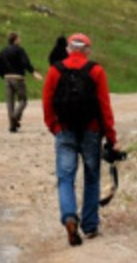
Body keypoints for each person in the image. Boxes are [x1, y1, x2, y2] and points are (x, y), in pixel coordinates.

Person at [42, 32, 116, 245]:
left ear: (68, 50)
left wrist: (53, 126)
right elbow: (104, 106)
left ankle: (69, 217)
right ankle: (90, 226)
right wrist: (111, 136)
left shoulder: (55, 71)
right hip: (91, 131)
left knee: (65, 178)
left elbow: (47, 102)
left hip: (64, 129)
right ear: (87, 50)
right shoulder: (96, 70)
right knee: (92, 177)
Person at [0, 30, 41, 132]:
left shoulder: (3, 51)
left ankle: (12, 125)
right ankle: (14, 117)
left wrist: (3, 75)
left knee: (10, 102)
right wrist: (33, 72)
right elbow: (25, 63)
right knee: (22, 100)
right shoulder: (20, 50)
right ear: (15, 39)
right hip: (18, 78)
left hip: (7, 78)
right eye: (19, 38)